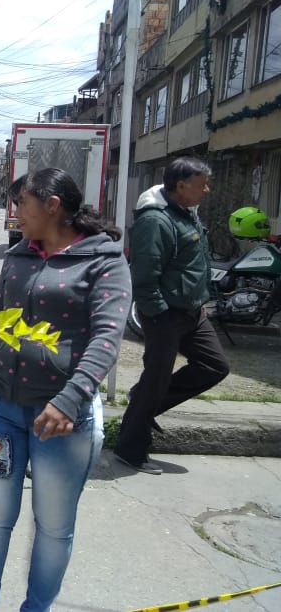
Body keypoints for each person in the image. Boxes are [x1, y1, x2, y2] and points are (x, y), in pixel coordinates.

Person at [0, 168, 130, 612]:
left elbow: (106, 340)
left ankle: (36, 607)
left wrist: (70, 399)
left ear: (53, 206)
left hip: (60, 421)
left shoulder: (104, 262)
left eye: (22, 204)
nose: (15, 214)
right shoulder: (18, 257)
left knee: (52, 526)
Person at [115, 157, 229, 475]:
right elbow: (144, 275)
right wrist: (159, 314)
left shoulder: (186, 213)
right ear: (181, 186)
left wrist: (198, 299)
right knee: (155, 380)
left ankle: (144, 403)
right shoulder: (156, 220)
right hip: (165, 315)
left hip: (192, 312)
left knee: (215, 367)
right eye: (201, 184)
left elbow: (192, 263)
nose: (206, 189)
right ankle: (130, 450)